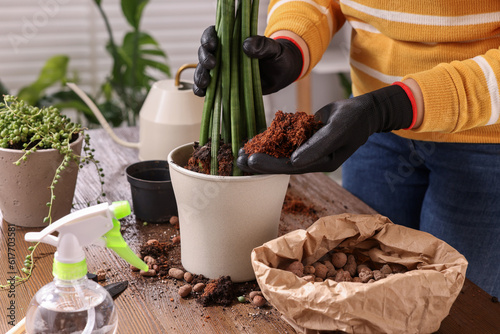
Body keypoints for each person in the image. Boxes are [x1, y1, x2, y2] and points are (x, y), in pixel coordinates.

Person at [193, 1, 500, 298]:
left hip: (485, 142)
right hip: (374, 131)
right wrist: (290, 45)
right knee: (364, 290)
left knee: (460, 306)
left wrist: (397, 104)